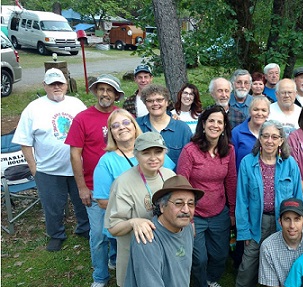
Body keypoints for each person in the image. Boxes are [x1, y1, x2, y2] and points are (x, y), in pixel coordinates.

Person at [92, 109, 179, 286]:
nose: (153, 158)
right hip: (134, 252)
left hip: (164, 249)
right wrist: (133, 222)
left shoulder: (169, 175)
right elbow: (113, 226)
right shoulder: (122, 181)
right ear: (137, 155)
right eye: (146, 153)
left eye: (158, 152)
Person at [13, 68, 88, 252]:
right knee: (52, 206)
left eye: (60, 83)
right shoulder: (33, 108)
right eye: (52, 84)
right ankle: (56, 235)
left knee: (83, 201)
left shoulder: (77, 104)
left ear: (66, 85)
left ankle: (84, 228)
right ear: (44, 85)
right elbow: (24, 141)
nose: (56, 87)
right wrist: (34, 169)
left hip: (77, 167)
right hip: (48, 170)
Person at [65, 73, 122, 285]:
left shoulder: (122, 116)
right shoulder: (83, 118)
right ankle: (100, 276)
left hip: (121, 189)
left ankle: (115, 260)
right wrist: (81, 187)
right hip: (93, 188)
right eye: (101, 89)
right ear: (95, 92)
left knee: (119, 230)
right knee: (98, 235)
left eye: (109, 90)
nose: (104, 93)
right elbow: (74, 154)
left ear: (116, 95)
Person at [235, 120, 303, 287]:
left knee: (282, 262)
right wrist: (244, 231)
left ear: (281, 140)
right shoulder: (247, 162)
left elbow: (298, 197)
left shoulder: (290, 164)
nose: (269, 141)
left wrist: (297, 224)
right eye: (265, 136)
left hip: (282, 222)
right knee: (248, 265)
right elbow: (242, 199)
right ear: (259, 139)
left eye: (274, 137)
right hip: (256, 223)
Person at [177, 105, 238, 287]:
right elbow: (182, 184)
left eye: (220, 122)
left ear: (224, 127)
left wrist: (233, 211)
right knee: (199, 258)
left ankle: (212, 279)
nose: (215, 125)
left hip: (219, 211)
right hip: (195, 214)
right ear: (203, 124)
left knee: (220, 254)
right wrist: (189, 219)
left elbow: (231, 181)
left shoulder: (228, 150)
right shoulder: (190, 150)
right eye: (211, 120)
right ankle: (200, 283)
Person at [123, 176, 204, 287]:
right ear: (162, 206)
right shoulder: (148, 239)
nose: (186, 210)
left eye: (190, 204)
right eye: (178, 203)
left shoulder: (187, 227)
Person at [258, 198, 303, 287]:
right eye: (287, 219)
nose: (292, 226)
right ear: (280, 221)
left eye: (296, 219)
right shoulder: (268, 247)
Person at [136, 84, 193, 165]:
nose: (155, 103)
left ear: (166, 102)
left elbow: (190, 159)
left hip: (174, 176)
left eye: (159, 100)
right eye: (150, 101)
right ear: (145, 104)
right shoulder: (136, 125)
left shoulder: (182, 128)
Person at [231, 96, 271, 166]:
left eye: (263, 110)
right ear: (249, 111)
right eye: (256, 109)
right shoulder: (236, 133)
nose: (259, 113)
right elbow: (232, 163)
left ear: (268, 114)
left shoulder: (273, 134)